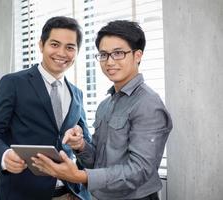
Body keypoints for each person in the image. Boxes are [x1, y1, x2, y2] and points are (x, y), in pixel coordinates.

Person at [32, 20, 173, 200]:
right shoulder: (105, 105)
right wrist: (80, 145)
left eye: (118, 53)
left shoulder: (148, 104)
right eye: (104, 55)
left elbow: (139, 171)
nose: (109, 61)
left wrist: (78, 176)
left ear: (137, 55)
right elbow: (97, 160)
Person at [0, 16, 92, 200]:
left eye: (70, 47)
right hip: (22, 193)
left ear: (77, 52)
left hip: (70, 194)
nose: (62, 53)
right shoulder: (13, 83)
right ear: (41, 45)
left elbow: (86, 146)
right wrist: (4, 155)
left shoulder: (77, 94)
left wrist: (80, 144)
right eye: (55, 44)